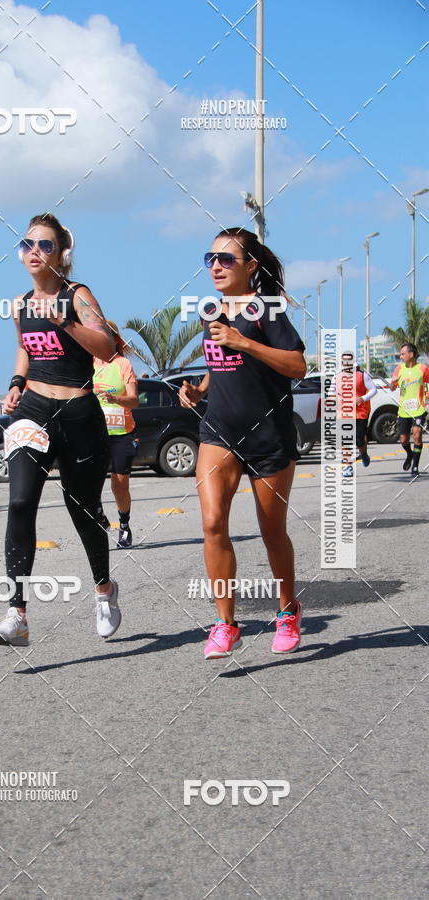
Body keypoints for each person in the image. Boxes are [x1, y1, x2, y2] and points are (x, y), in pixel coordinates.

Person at [0, 213, 121, 648]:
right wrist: (15, 384)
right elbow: (25, 349)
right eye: (27, 245)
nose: (34, 253)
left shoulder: (77, 296)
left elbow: (107, 347)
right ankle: (17, 615)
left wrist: (65, 321)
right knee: (21, 501)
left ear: (62, 253)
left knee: (82, 511)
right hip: (32, 410)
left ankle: (104, 589)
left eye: (44, 245)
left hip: (79, 413)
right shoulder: (19, 304)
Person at [179, 227, 306, 659]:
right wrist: (199, 388)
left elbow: (297, 365)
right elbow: (222, 365)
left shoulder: (265, 310)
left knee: (272, 533)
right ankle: (225, 623)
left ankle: (287, 612)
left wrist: (242, 340)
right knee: (213, 522)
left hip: (269, 436)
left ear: (250, 266)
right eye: (210, 257)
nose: (216, 265)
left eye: (226, 259)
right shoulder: (210, 310)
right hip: (219, 432)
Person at [93, 322, 140, 548]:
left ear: (113, 339)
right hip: (94, 434)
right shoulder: (87, 365)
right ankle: (100, 516)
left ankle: (124, 525)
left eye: (105, 335)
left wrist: (116, 399)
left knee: (119, 485)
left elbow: (134, 399)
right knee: (89, 483)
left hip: (121, 433)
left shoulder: (123, 364)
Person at [389, 342, 429, 476]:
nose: (400, 357)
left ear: (411, 354)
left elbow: (428, 385)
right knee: (403, 440)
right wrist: (393, 382)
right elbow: (392, 388)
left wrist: (427, 398)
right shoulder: (399, 369)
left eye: (403, 354)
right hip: (404, 410)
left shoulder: (423, 368)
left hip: (419, 409)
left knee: (417, 436)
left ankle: (415, 467)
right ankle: (409, 454)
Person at [330, 364, 377, 467]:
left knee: (359, 440)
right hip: (343, 414)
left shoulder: (362, 375)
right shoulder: (336, 376)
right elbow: (331, 393)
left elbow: (374, 389)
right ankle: (348, 466)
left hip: (359, 413)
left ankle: (363, 453)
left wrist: (363, 398)